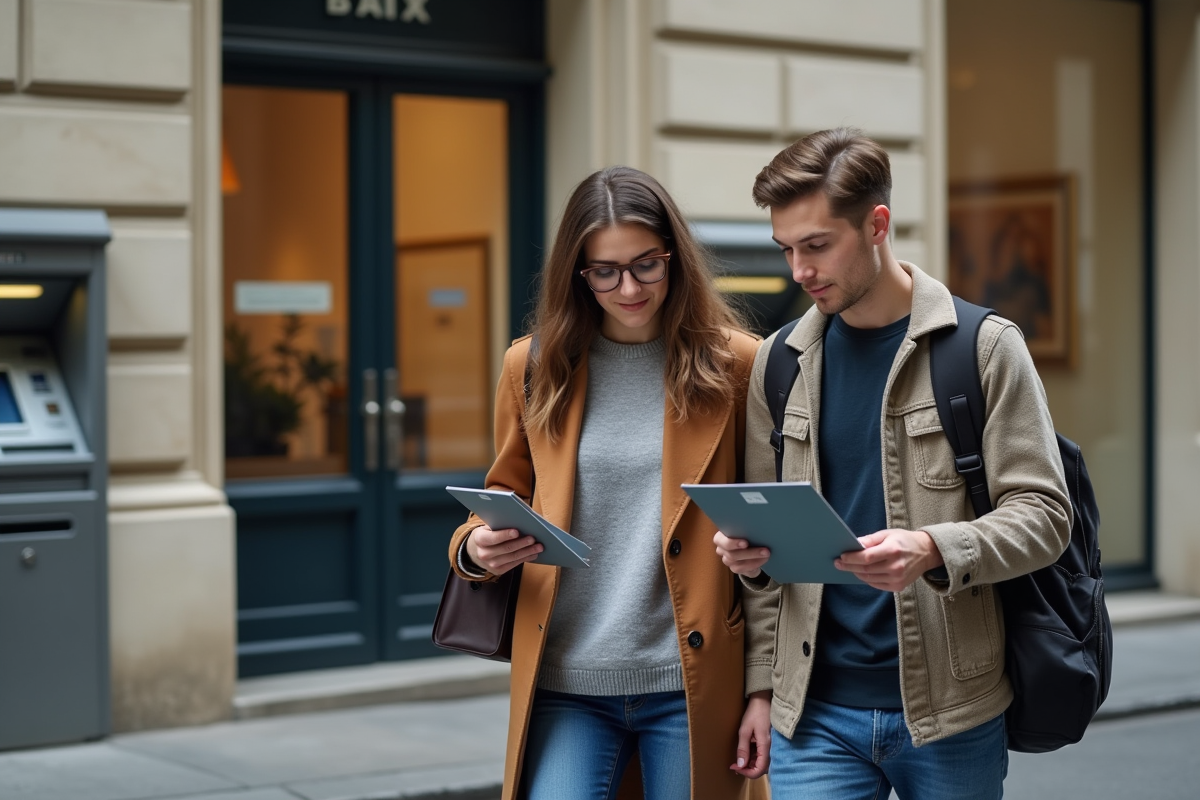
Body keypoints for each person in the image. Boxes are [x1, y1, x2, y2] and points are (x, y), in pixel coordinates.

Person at [715, 128, 1072, 799]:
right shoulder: (780, 362)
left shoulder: (983, 349)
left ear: (877, 224)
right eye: (786, 249)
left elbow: (1047, 516)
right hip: (812, 714)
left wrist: (932, 546)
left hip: (950, 712)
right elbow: (768, 556)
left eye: (817, 245)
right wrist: (760, 676)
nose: (799, 270)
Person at [447, 166, 766, 800]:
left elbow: (770, 541)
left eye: (647, 264)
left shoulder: (738, 365)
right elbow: (499, 500)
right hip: (567, 680)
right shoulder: (534, 367)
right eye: (605, 271)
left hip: (692, 681)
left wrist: (763, 690)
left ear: (674, 256)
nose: (629, 287)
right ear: (579, 274)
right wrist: (476, 549)